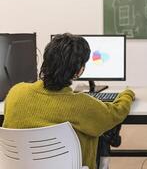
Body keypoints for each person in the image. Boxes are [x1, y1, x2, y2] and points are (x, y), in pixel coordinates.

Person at [2, 33, 135, 169]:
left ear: (46, 61)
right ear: (79, 71)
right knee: (101, 133)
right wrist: (128, 94)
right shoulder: (82, 105)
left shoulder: (15, 92)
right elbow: (116, 113)